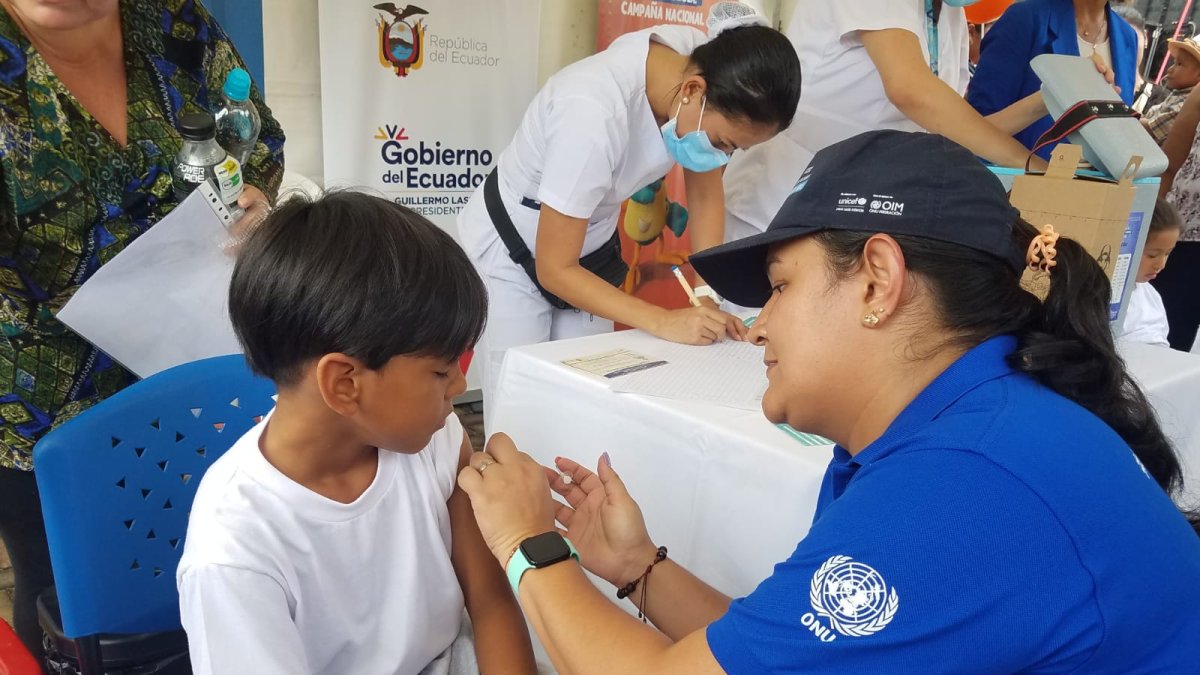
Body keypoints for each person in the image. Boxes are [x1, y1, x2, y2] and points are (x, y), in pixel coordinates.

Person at [458, 131, 1200, 674]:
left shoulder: (964, 484)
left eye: (780, 286)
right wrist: (637, 568)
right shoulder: (962, 426)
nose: (760, 327)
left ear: (877, 279)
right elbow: (791, 653)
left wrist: (527, 545)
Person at [0, 0, 285, 661]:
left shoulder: (173, 18)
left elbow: (258, 139)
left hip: (194, 356)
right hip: (45, 399)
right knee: (70, 600)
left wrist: (254, 200)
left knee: (210, 557)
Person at [177, 192, 536, 675]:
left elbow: (491, 603)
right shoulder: (235, 549)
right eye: (440, 370)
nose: (460, 385)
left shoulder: (436, 440)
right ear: (344, 384)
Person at [456, 2, 800, 411]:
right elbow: (554, 267)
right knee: (521, 405)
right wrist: (663, 320)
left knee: (590, 392)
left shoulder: (707, 63)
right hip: (512, 252)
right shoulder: (592, 112)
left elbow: (705, 191)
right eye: (724, 144)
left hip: (589, 246)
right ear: (693, 92)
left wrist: (707, 295)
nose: (722, 158)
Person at [720, 0, 1053, 244]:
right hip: (780, 203)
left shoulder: (951, 16)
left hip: (852, 214)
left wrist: (1048, 100)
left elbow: (958, 129)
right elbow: (910, 89)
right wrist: (1034, 166)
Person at [968, 0, 1139, 158]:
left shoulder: (1127, 36)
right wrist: (1055, 93)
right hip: (1022, 183)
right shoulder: (1025, 18)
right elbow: (971, 132)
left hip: (1101, 185)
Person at [1119, 199, 1180, 347]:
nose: (1161, 265)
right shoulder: (1104, 297)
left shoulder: (1150, 295)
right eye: (1152, 255)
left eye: (1167, 254)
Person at [1143, 38, 1200, 144]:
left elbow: (1151, 128)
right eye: (1174, 62)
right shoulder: (1178, 95)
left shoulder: (1184, 106)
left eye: (1179, 64)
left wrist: (1131, 117)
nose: (1170, 69)